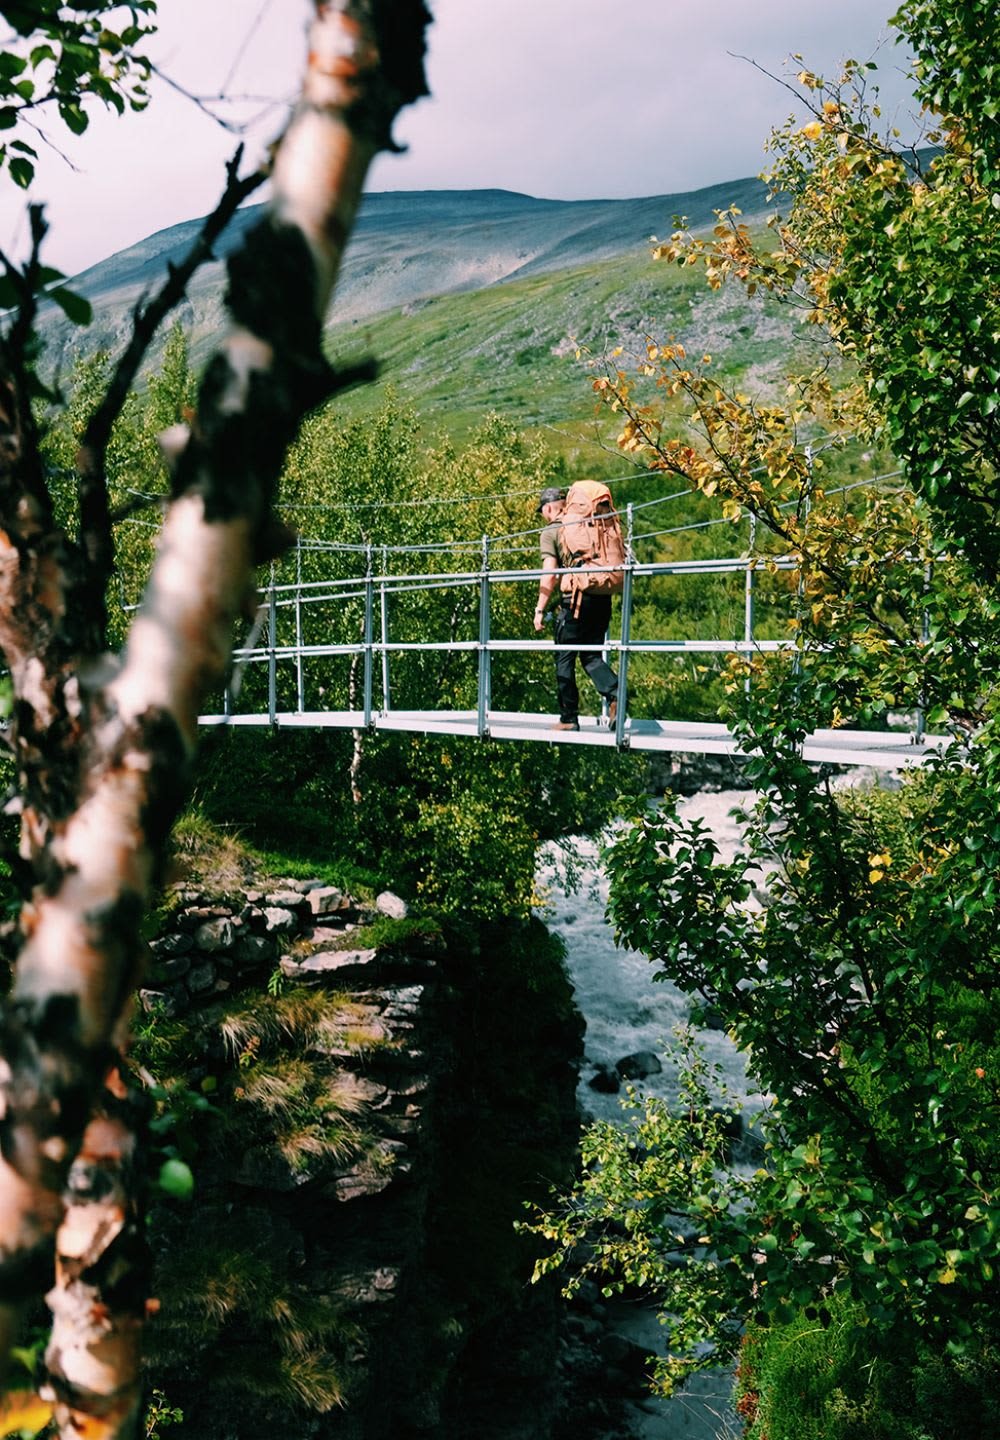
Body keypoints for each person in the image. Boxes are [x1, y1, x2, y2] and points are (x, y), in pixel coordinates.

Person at [533, 486, 618, 731]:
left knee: (564, 657)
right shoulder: (590, 524)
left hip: (576, 601)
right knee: (590, 654)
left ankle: (569, 718)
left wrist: (540, 609)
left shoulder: (552, 530)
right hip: (602, 596)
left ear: (548, 508)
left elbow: (549, 573)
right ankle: (615, 693)